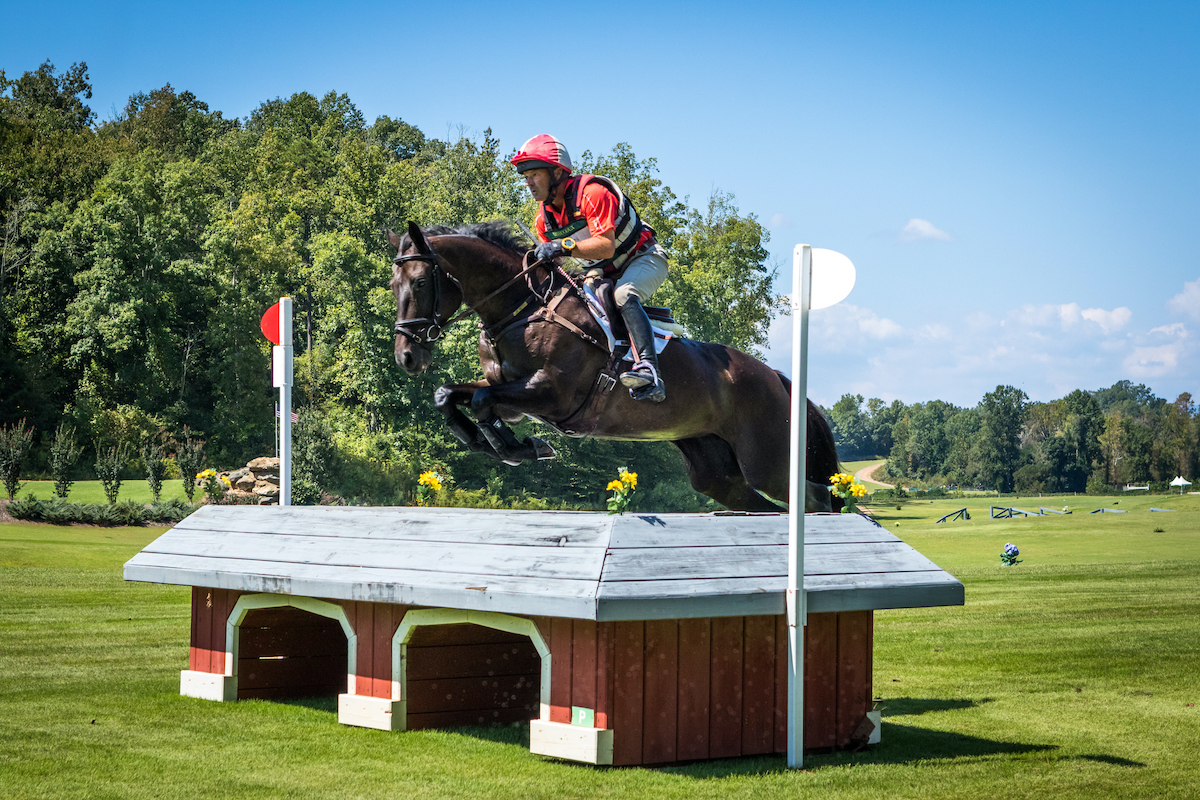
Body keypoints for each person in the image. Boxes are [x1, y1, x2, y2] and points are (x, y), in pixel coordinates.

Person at [511, 134, 668, 403]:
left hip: (643, 258)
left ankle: (649, 368)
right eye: (525, 176)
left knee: (623, 295)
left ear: (557, 172)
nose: (528, 183)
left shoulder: (592, 193)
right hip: (603, 272)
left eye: (534, 174)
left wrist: (562, 246)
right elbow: (558, 266)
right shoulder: (543, 220)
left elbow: (605, 247)